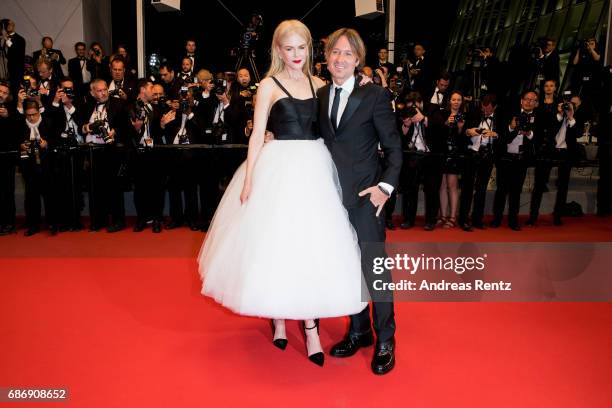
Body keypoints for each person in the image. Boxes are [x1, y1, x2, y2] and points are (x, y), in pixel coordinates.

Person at [198, 20, 367, 368]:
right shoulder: (267, 87)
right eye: (288, 48)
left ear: (309, 49)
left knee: (311, 248)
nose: (295, 55)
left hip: (315, 172)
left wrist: (360, 85)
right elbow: (258, 135)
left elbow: (340, 118)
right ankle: (277, 317)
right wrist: (248, 182)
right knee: (277, 247)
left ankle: (311, 329)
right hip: (277, 172)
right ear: (277, 50)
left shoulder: (320, 84)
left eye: (301, 47)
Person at [320, 28, 402, 375]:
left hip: (366, 198)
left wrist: (384, 186)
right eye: (335, 53)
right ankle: (359, 330)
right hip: (329, 200)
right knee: (346, 268)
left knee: (375, 270)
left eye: (347, 54)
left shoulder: (375, 97)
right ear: (326, 57)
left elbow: (395, 148)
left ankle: (386, 339)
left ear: (358, 60)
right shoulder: (320, 94)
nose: (340, 59)